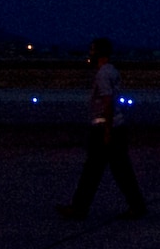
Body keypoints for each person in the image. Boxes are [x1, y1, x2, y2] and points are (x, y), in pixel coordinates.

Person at [58, 38, 146, 221]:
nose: (90, 53)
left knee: (94, 170)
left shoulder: (102, 74)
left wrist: (107, 130)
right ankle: (136, 206)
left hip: (105, 128)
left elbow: (107, 101)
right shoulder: (112, 71)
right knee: (119, 170)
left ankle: (79, 208)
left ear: (99, 52)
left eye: (92, 49)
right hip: (115, 127)